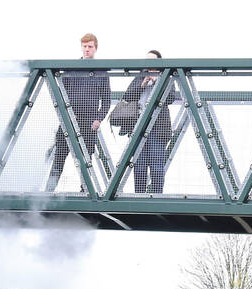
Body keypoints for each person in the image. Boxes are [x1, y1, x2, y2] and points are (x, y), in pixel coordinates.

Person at [45, 33, 112, 192]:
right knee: (59, 157)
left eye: (90, 46)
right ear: (81, 47)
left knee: (85, 161)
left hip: (89, 123)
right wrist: (65, 115)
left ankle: (85, 192)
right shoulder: (71, 67)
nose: (87, 49)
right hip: (68, 121)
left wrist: (99, 119)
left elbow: (107, 100)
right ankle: (48, 192)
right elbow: (59, 94)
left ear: (95, 48)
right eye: (84, 46)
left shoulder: (102, 72)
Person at [121, 50, 178, 194]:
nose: (149, 63)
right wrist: (143, 84)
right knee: (138, 165)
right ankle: (139, 196)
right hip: (138, 127)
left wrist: (156, 82)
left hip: (158, 129)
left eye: (152, 60)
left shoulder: (166, 77)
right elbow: (127, 96)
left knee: (157, 166)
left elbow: (171, 97)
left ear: (159, 62)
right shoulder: (140, 76)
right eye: (147, 60)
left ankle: (157, 196)